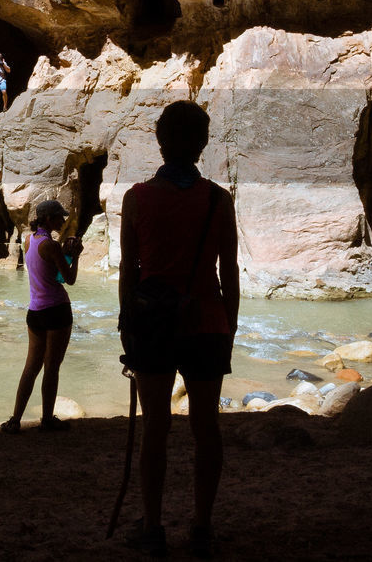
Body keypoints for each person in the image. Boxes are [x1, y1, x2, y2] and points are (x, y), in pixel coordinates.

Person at [118, 100, 239, 558]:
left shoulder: (136, 198)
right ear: (204, 143)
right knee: (207, 428)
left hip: (151, 324)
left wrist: (127, 326)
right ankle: (202, 527)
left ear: (159, 141)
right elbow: (229, 271)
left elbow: (130, 271)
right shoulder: (217, 200)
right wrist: (230, 327)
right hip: (208, 323)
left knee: (155, 428)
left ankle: (152, 526)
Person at [1, 199, 83, 433]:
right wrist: (74, 255)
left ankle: (15, 420)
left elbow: (47, 271)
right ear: (49, 219)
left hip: (35, 311)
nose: (63, 221)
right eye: (59, 217)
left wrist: (64, 253)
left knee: (30, 368)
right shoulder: (52, 245)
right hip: (57, 310)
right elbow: (68, 279)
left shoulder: (29, 240)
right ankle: (47, 419)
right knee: (52, 368)